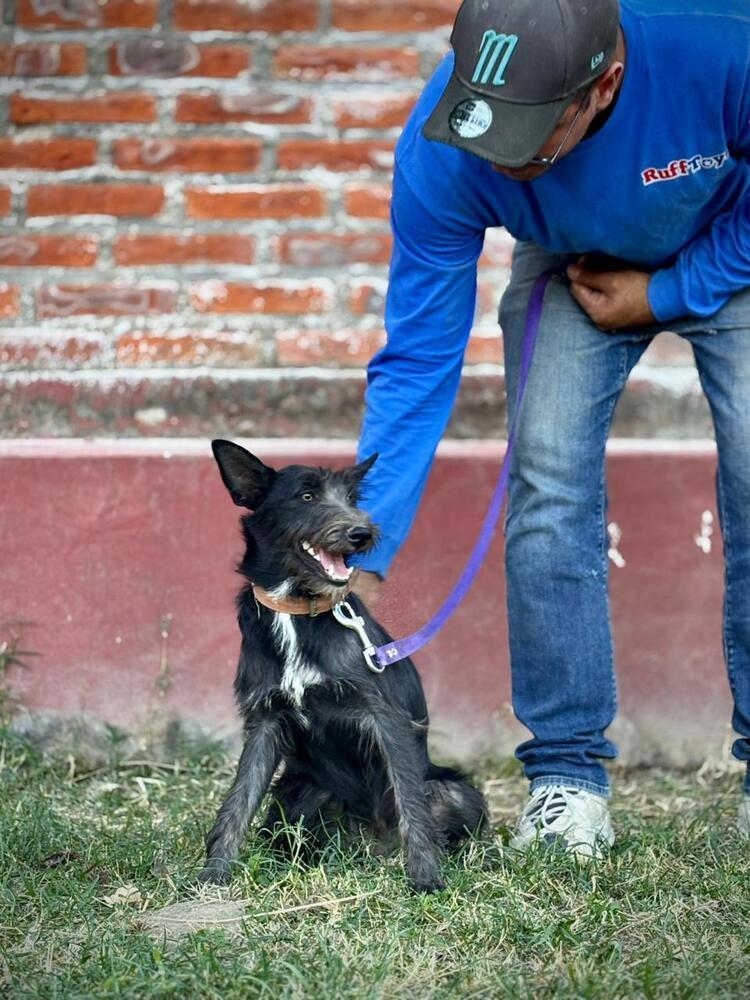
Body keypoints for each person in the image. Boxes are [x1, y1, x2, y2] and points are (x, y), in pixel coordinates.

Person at [351, 0, 750, 856]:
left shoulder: (722, 46)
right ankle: (567, 781)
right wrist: (361, 547)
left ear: (603, 87)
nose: (497, 153)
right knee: (548, 474)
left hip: (733, 240)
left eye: (526, 134)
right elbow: (419, 358)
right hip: (572, 268)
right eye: (484, 125)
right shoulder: (442, 149)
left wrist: (668, 293)